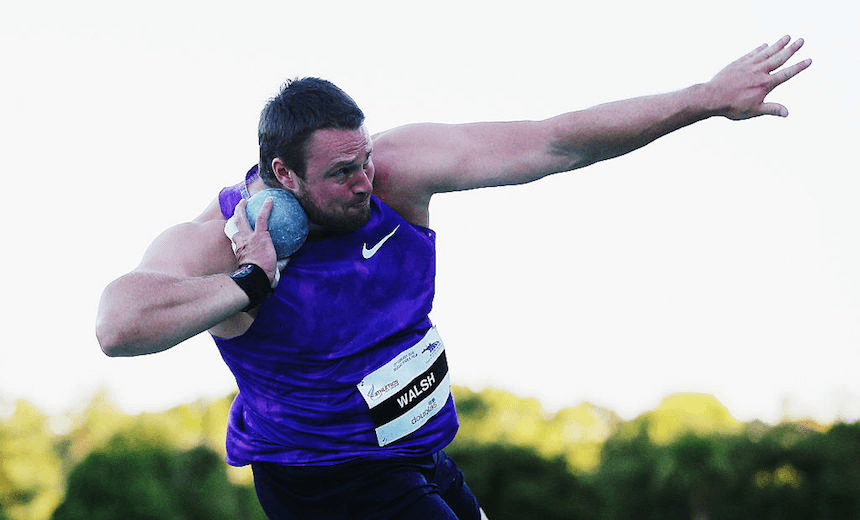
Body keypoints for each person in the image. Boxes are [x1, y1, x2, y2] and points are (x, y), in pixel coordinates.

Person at [96, 36, 810, 519]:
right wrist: (251, 281)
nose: (365, 181)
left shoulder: (394, 174)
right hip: (325, 480)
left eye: (366, 158)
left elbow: (553, 140)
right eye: (342, 172)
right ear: (283, 174)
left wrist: (704, 99)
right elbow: (119, 324)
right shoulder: (226, 239)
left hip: (422, 453)